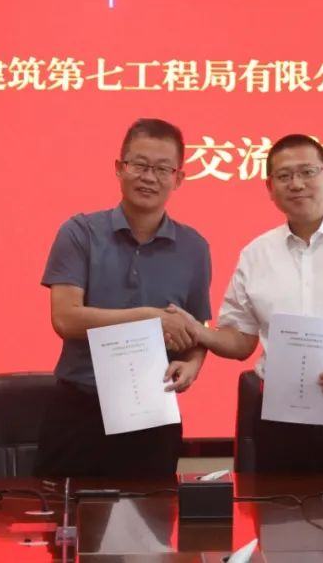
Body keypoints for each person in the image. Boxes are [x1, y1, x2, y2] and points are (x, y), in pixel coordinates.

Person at [168, 133, 323, 473]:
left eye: (307, 172)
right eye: (284, 176)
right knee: (277, 506)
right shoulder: (256, 254)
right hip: (279, 414)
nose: (297, 184)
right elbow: (241, 341)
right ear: (270, 187)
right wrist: (199, 332)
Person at [34, 118, 212, 478]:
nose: (149, 177)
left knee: (152, 512)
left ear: (179, 178)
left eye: (162, 169)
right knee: (65, 512)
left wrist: (193, 364)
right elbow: (65, 318)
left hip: (153, 411)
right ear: (119, 168)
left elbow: (196, 329)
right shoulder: (80, 232)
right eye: (139, 165)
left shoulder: (194, 247)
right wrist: (149, 317)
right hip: (80, 407)